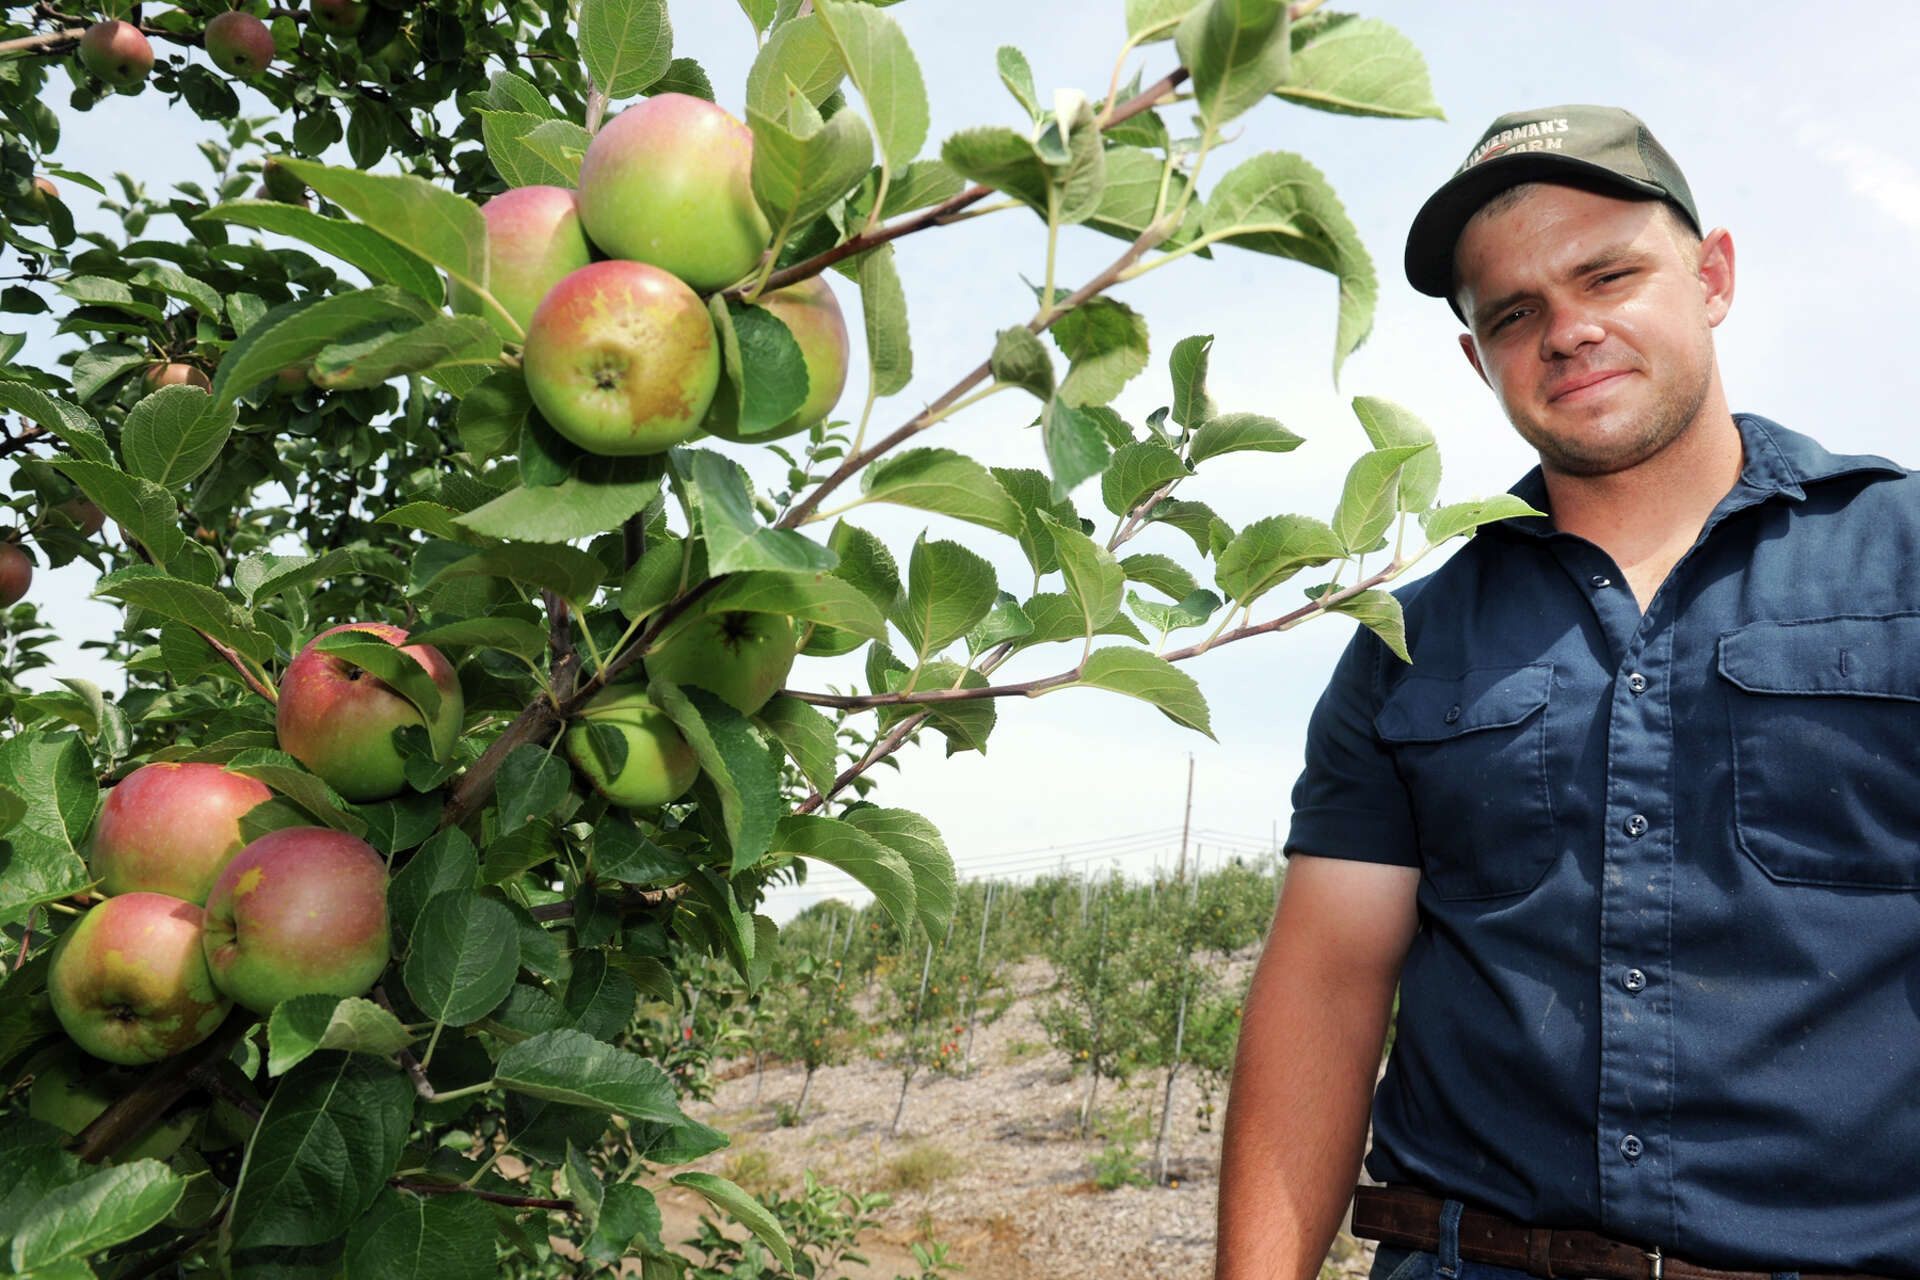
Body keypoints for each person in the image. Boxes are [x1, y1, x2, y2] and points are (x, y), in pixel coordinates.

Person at [1214, 104, 1920, 1280]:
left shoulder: (1904, 561)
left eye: (1609, 274)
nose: (1569, 330)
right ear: (1476, 356)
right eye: (1515, 312)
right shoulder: (1407, 640)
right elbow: (1327, 986)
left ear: (1712, 276)